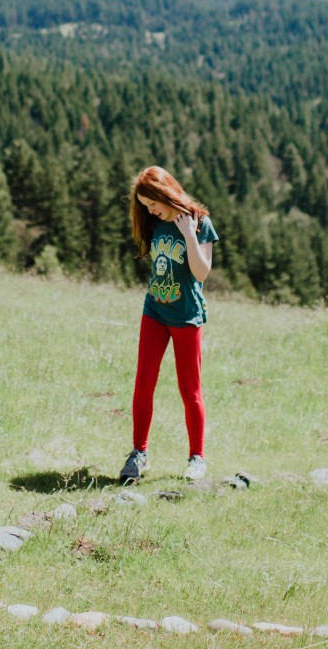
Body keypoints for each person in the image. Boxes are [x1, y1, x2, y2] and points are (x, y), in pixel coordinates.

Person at [118, 166, 219, 485]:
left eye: (154, 204)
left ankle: (197, 458)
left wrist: (189, 234)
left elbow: (201, 274)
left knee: (189, 389)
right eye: (146, 206)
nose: (151, 211)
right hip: (155, 311)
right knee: (143, 381)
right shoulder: (154, 222)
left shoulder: (201, 222)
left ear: (166, 193)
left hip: (187, 316)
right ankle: (138, 454)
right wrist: (151, 215)